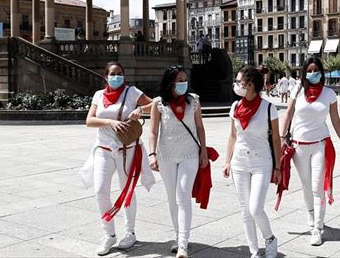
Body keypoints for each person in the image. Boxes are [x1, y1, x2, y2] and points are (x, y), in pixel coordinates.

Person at [280, 57, 340, 246]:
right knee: (306, 186)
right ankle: (311, 215)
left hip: (321, 144)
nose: (312, 73)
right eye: (309, 70)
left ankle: (317, 228)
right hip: (298, 146)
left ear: (321, 72)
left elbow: (336, 120)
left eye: (316, 69)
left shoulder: (329, 94)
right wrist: (282, 138)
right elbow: (288, 113)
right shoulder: (296, 90)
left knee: (317, 186)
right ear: (304, 72)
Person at [81, 62, 155, 256]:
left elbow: (155, 104)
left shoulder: (131, 92)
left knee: (127, 190)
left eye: (120, 74)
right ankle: (109, 234)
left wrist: (140, 110)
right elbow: (89, 120)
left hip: (127, 150)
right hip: (103, 150)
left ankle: (129, 232)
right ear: (106, 77)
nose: (116, 77)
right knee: (100, 190)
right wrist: (109, 121)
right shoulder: (98, 95)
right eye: (113, 74)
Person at [148, 65, 209, 258]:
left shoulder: (194, 101)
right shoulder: (158, 103)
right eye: (179, 80)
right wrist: (152, 154)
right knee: (171, 198)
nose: (183, 83)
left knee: (182, 196)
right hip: (166, 155)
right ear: (170, 82)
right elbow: (153, 131)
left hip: (189, 154)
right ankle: (178, 235)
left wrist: (204, 151)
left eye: (185, 80)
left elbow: (200, 127)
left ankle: (183, 244)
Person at [223, 66, 282, 258]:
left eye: (239, 81)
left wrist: (278, 166)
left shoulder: (268, 108)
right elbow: (233, 136)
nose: (236, 85)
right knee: (245, 211)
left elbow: (275, 139)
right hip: (239, 162)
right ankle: (254, 251)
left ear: (249, 85)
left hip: (261, 163)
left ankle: (270, 238)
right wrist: (227, 161)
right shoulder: (235, 107)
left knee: (255, 208)